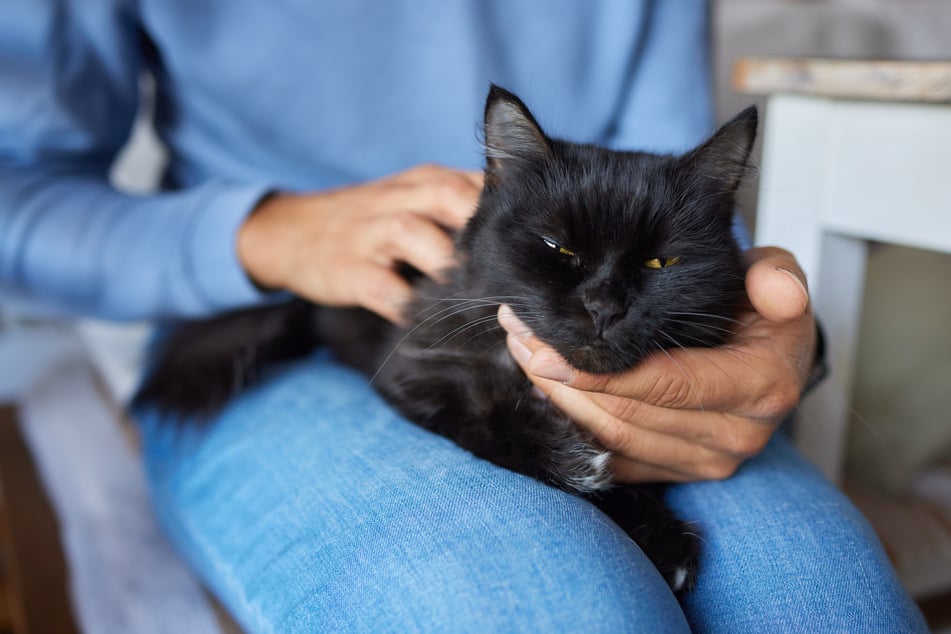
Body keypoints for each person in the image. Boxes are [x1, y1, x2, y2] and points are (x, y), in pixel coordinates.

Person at [0, 1, 927, 631]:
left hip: (580, 317)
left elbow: (684, 195)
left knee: (820, 592)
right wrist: (256, 232)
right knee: (551, 604)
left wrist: (778, 342)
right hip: (270, 324)